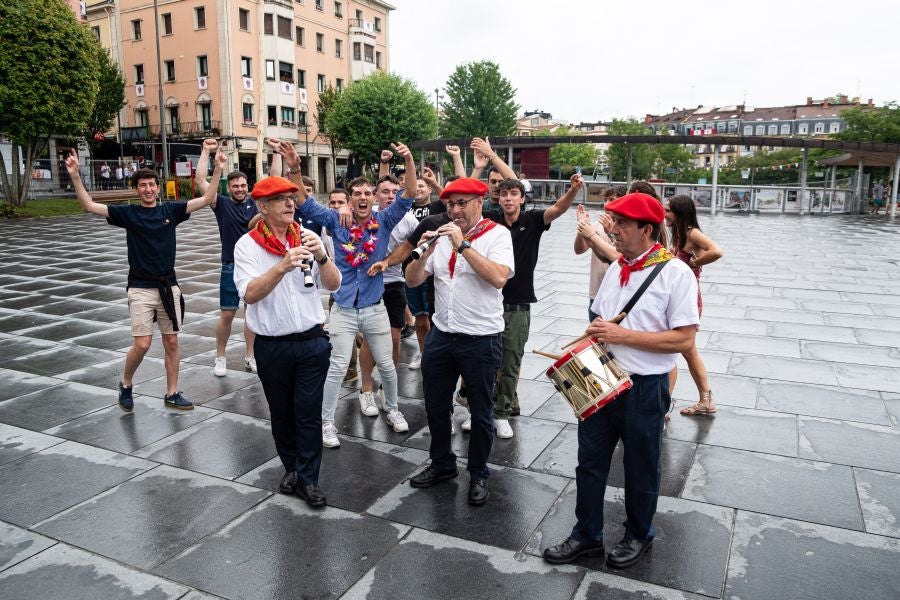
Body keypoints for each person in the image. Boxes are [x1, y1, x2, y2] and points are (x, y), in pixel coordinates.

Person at [542, 193, 699, 569]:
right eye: (613, 221)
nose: (612, 229)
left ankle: (639, 534)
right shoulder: (617, 266)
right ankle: (586, 536)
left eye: (621, 224)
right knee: (589, 463)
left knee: (641, 467)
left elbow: (685, 339)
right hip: (602, 378)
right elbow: (605, 319)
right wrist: (593, 333)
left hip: (644, 388)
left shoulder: (676, 273)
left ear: (647, 230)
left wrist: (623, 336)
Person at [64, 148, 225, 412]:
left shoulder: (171, 211)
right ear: (137, 190)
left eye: (151, 185)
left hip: (168, 286)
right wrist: (75, 176)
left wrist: (218, 168)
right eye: (143, 186)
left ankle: (172, 393)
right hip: (140, 287)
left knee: (171, 341)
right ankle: (126, 383)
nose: (148, 189)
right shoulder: (130, 214)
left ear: (158, 188)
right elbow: (89, 206)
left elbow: (208, 198)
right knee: (143, 343)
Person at [280, 140, 418, 448]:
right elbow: (302, 199)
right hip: (342, 308)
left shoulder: (384, 220)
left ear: (374, 199)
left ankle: (393, 409)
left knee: (387, 364)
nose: (363, 197)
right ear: (350, 200)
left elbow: (408, 194)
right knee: (338, 367)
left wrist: (408, 161)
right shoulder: (335, 221)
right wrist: (295, 167)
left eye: (368, 193)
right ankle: (327, 422)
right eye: (357, 194)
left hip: (374, 307)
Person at [405, 177, 515, 507]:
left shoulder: (497, 235)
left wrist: (463, 245)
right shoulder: (439, 238)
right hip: (442, 334)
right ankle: (442, 464)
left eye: (461, 203)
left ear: (479, 203)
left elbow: (498, 277)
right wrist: (422, 255)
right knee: (436, 405)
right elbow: (411, 279)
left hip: (481, 338)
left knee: (481, 412)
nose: (454, 210)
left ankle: (479, 472)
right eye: (450, 204)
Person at [233, 176, 341, 508]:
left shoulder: (308, 237)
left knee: (307, 412)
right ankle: (292, 467)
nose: (290, 204)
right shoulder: (247, 246)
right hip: (272, 345)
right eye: (281, 200)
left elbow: (335, 284)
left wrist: (322, 256)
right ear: (263, 207)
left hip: (311, 343)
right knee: (282, 414)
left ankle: (308, 479)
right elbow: (249, 293)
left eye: (291, 198)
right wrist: (282, 266)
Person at [486, 175, 581, 439]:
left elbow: (558, 209)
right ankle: (488, 406)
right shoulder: (490, 222)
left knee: (511, 360)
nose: (507, 198)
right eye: (504, 194)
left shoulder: (532, 221)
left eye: (513, 194)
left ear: (522, 199)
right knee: (487, 359)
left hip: (518, 303)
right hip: (489, 300)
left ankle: (502, 412)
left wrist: (572, 191)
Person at [195, 138, 258, 376]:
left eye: (243, 185)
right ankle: (220, 356)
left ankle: (250, 356)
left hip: (254, 267)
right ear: (228, 187)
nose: (240, 189)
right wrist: (206, 153)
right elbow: (200, 180)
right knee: (228, 314)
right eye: (236, 186)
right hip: (230, 266)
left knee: (252, 314)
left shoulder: (256, 204)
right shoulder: (219, 203)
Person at [358, 175, 419, 401]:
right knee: (371, 339)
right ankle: (365, 389)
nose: (390, 196)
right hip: (369, 283)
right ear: (376, 196)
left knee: (394, 339)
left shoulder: (409, 219)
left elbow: (419, 242)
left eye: (395, 192)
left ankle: (386, 384)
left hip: (395, 283)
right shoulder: (366, 214)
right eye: (385, 192)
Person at [665, 195, 723, 415]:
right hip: (678, 298)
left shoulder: (691, 233)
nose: (665, 214)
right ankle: (704, 400)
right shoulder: (679, 234)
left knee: (680, 350)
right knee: (686, 351)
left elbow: (716, 251)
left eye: (668, 210)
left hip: (687, 300)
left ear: (679, 212)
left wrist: (694, 262)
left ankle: (667, 405)